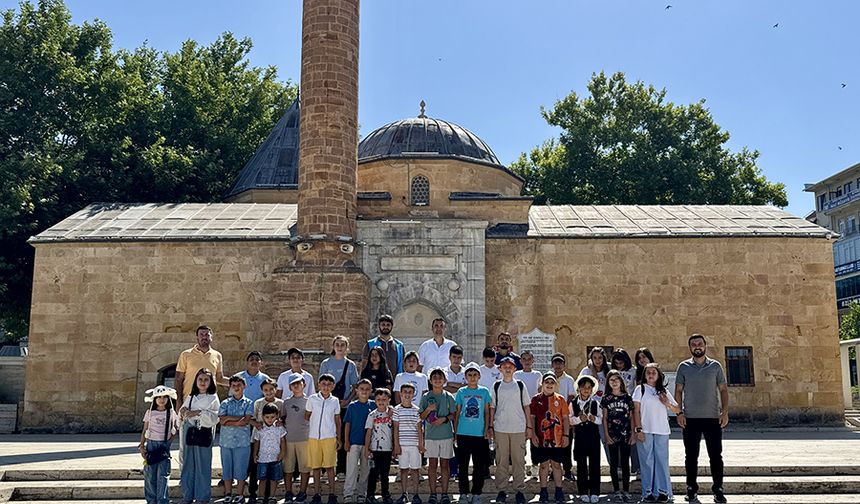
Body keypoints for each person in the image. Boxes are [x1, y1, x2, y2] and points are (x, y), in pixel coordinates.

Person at [674, 334, 729, 504]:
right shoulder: (683, 367)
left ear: (705, 346)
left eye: (699, 344)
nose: (697, 346)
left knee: (716, 456)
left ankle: (718, 490)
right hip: (690, 419)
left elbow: (723, 390)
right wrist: (679, 413)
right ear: (690, 348)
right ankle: (691, 489)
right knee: (691, 456)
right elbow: (678, 391)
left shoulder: (715, 366)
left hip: (712, 418)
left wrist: (724, 412)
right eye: (693, 344)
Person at [175, 325, 227, 466]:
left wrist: (238, 382)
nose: (204, 337)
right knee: (185, 443)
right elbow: (179, 378)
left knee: (205, 441)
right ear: (197, 337)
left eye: (207, 334)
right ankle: (184, 476)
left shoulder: (217, 355)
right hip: (188, 403)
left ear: (211, 336)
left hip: (208, 404)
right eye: (201, 334)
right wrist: (179, 401)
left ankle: (202, 474)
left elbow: (220, 378)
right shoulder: (186, 354)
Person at [633, 363, 681, 503]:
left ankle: (662, 491)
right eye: (648, 372)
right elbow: (636, 410)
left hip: (661, 430)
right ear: (645, 375)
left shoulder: (664, 391)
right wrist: (638, 429)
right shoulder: (640, 389)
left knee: (661, 461)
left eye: (654, 372)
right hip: (645, 430)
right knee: (647, 462)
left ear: (658, 374)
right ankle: (648, 492)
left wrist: (667, 403)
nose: (651, 374)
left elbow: (677, 410)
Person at [490, 357, 531, 504]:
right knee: (501, 460)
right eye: (504, 366)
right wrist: (490, 427)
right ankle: (502, 490)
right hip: (500, 428)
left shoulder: (520, 385)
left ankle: (519, 489)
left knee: (519, 460)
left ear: (514, 369)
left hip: (518, 428)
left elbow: (526, 406)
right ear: (500, 369)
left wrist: (529, 427)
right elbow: (493, 407)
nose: (507, 368)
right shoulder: (496, 386)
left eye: (510, 366)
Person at [320, 335, 360, 477]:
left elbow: (355, 387)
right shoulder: (326, 363)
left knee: (342, 435)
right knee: (327, 436)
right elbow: (322, 385)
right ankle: (326, 468)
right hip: (328, 406)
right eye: (337, 344)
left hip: (344, 406)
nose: (340, 347)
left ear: (346, 347)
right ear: (333, 346)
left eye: (343, 345)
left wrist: (347, 400)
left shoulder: (351, 365)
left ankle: (341, 469)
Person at [179, 368, 220, 504]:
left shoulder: (213, 398)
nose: (203, 382)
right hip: (189, 431)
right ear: (196, 381)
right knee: (188, 464)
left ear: (210, 382)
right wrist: (184, 411)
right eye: (200, 379)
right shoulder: (190, 397)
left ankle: (203, 497)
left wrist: (198, 413)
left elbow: (215, 417)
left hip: (204, 432)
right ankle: (187, 496)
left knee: (203, 464)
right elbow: (182, 414)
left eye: (206, 380)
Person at [453, 362, 492, 504]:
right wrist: (455, 431)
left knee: (479, 466)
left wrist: (487, 428)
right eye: (469, 375)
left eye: (475, 374)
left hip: (479, 434)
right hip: (463, 433)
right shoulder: (461, 392)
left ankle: (476, 493)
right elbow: (457, 412)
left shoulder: (484, 392)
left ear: (479, 376)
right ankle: (463, 493)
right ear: (465, 376)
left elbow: (487, 412)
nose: (472, 377)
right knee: (462, 466)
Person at [528, 373, 570, 504]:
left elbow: (565, 418)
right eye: (547, 382)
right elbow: (532, 418)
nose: (549, 385)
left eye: (552, 382)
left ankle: (559, 490)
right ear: (542, 384)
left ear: (555, 385)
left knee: (557, 465)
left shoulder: (561, 399)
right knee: (543, 465)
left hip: (557, 439)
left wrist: (566, 435)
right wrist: (533, 435)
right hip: (541, 439)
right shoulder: (535, 399)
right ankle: (543, 491)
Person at [419, 368, 456, 504]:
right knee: (432, 465)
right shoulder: (425, 397)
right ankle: (433, 493)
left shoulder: (449, 396)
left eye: (440, 378)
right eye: (434, 378)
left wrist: (444, 419)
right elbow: (421, 416)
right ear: (430, 380)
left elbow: (453, 414)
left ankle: (445, 493)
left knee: (445, 465)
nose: (437, 380)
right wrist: (428, 409)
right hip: (431, 436)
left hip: (446, 434)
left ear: (444, 380)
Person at [305, 373, 342, 504]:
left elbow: (338, 420)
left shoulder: (335, 401)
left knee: (330, 467)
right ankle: (316, 493)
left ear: (333, 386)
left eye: (329, 384)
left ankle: (332, 493)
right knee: (315, 468)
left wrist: (339, 437)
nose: (326, 387)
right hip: (314, 437)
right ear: (319, 385)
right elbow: (307, 415)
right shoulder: (312, 399)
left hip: (329, 437)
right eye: (323, 384)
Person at [139, 385, 179, 504]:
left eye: (164, 397)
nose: (162, 399)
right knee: (150, 474)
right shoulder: (150, 413)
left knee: (163, 475)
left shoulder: (171, 412)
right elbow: (145, 429)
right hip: (151, 444)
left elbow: (175, 428)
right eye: (159, 397)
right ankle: (151, 500)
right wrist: (142, 445)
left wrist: (168, 443)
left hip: (163, 445)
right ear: (154, 399)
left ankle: (162, 500)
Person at [219, 375, 255, 503]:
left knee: (241, 468)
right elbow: (222, 420)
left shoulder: (249, 403)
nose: (236, 388)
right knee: (227, 468)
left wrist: (229, 418)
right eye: (233, 385)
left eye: (239, 385)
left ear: (244, 386)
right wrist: (236, 419)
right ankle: (228, 493)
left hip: (242, 442)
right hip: (226, 442)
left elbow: (246, 420)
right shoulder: (225, 403)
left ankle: (240, 494)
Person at [601, 370, 634, 503]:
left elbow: (631, 417)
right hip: (612, 434)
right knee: (614, 463)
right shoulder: (606, 399)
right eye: (611, 380)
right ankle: (616, 490)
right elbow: (604, 418)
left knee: (626, 463)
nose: (614, 382)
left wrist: (632, 433)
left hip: (625, 434)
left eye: (616, 379)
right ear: (608, 383)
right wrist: (607, 435)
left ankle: (626, 490)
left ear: (621, 381)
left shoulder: (627, 397)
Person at [571, 375, 602, 504]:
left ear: (592, 390)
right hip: (580, 438)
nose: (586, 390)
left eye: (589, 388)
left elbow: (601, 419)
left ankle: (595, 492)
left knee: (595, 465)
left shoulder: (595, 403)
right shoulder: (573, 403)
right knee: (582, 465)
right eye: (583, 387)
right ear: (579, 389)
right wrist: (578, 419)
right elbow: (570, 419)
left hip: (593, 438)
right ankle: (583, 491)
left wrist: (595, 419)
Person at [252, 378, 283, 502]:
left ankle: (271, 496)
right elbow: (252, 418)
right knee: (259, 471)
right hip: (259, 437)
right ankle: (257, 494)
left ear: (275, 389)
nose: (269, 392)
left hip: (275, 440)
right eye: (265, 390)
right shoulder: (258, 403)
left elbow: (283, 418)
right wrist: (256, 424)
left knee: (273, 472)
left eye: (271, 389)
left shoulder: (280, 403)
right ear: (262, 391)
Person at [344, 379, 375, 504]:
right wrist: (346, 441)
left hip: (368, 444)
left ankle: (362, 493)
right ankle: (348, 494)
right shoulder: (352, 406)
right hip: (353, 442)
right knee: (351, 469)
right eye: (361, 389)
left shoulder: (373, 405)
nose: (364, 391)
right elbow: (347, 424)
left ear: (371, 391)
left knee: (365, 470)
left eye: (367, 389)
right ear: (357, 390)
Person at [393, 382, 425, 504]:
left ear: (413, 394)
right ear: (401, 394)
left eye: (410, 392)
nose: (407, 394)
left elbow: (419, 429)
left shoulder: (417, 410)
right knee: (403, 469)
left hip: (415, 445)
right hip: (402, 444)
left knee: (415, 469)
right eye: (405, 392)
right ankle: (404, 493)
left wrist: (421, 444)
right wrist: (396, 445)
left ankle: (416, 494)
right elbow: (395, 428)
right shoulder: (397, 410)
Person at [282, 374, 311, 503]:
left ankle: (302, 492)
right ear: (289, 387)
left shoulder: (309, 401)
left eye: (299, 383)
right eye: (293, 384)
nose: (296, 385)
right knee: (288, 468)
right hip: (289, 439)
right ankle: (288, 492)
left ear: (304, 385)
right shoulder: (286, 403)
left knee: (305, 468)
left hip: (304, 439)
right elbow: (283, 419)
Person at [365, 387, 395, 504]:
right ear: (375, 400)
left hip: (387, 449)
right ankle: (370, 495)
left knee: (385, 474)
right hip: (374, 449)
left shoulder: (392, 414)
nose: (381, 402)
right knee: (373, 473)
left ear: (389, 400)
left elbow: (394, 430)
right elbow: (368, 432)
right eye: (378, 399)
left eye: (384, 399)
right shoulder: (372, 415)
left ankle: (385, 494)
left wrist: (394, 447)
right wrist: (367, 448)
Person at [254, 402, 287, 504]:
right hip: (262, 458)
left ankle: (272, 496)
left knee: (274, 479)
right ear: (263, 416)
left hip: (275, 457)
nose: (269, 419)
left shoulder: (280, 428)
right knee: (262, 478)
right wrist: (254, 454)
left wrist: (282, 453)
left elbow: (283, 441)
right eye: (267, 417)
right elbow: (256, 442)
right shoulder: (259, 428)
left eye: (272, 417)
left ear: (277, 416)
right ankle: (260, 496)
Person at [550, 353, 576, 481]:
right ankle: (553, 470)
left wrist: (565, 413)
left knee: (566, 443)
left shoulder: (569, 380)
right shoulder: (548, 378)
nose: (558, 365)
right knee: (552, 443)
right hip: (551, 417)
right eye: (556, 363)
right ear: (552, 364)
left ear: (564, 364)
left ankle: (567, 469)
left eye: (560, 363)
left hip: (565, 416)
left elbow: (571, 397)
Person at [443, 345, 467, 480]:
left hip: (463, 410)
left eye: (459, 357)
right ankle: (452, 470)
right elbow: (443, 386)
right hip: (448, 410)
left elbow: (467, 387)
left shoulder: (466, 372)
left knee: (462, 440)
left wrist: (452, 384)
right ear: (449, 357)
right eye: (454, 357)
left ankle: (460, 469)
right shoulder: (444, 371)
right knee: (450, 440)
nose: (456, 360)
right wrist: (459, 386)